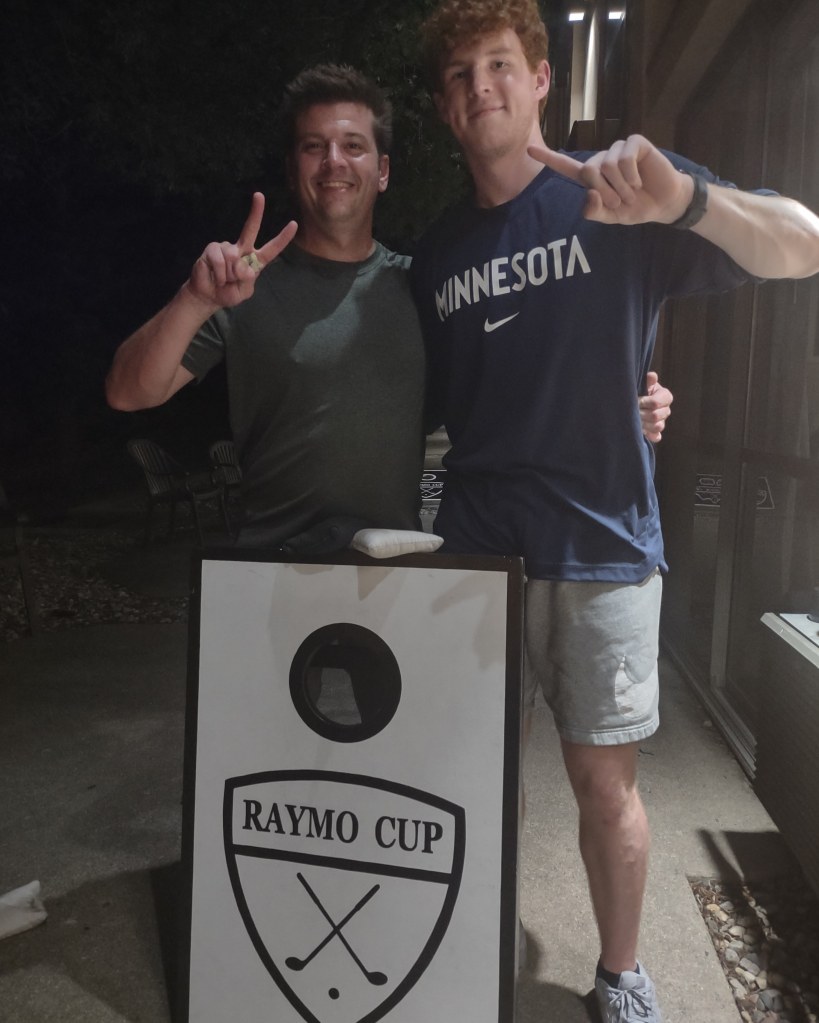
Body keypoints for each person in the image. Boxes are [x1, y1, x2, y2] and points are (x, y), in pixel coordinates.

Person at [410, 2, 819, 1021]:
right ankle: (449, 956)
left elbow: (802, 245)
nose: (480, 87)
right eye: (459, 75)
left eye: (499, 64)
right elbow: (437, 406)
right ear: (444, 107)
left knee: (605, 785)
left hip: (600, 546)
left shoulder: (618, 195)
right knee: (465, 775)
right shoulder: (437, 255)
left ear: (541, 80)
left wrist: (686, 200)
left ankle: (622, 976)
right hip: (477, 559)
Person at [106, 63, 671, 548]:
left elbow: (508, 382)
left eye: (353, 146)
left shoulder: (422, 285)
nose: (334, 161)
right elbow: (128, 392)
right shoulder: (242, 290)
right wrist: (194, 300)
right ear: (294, 169)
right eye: (313, 147)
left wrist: (619, 404)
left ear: (381, 172)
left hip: (392, 577)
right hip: (269, 569)